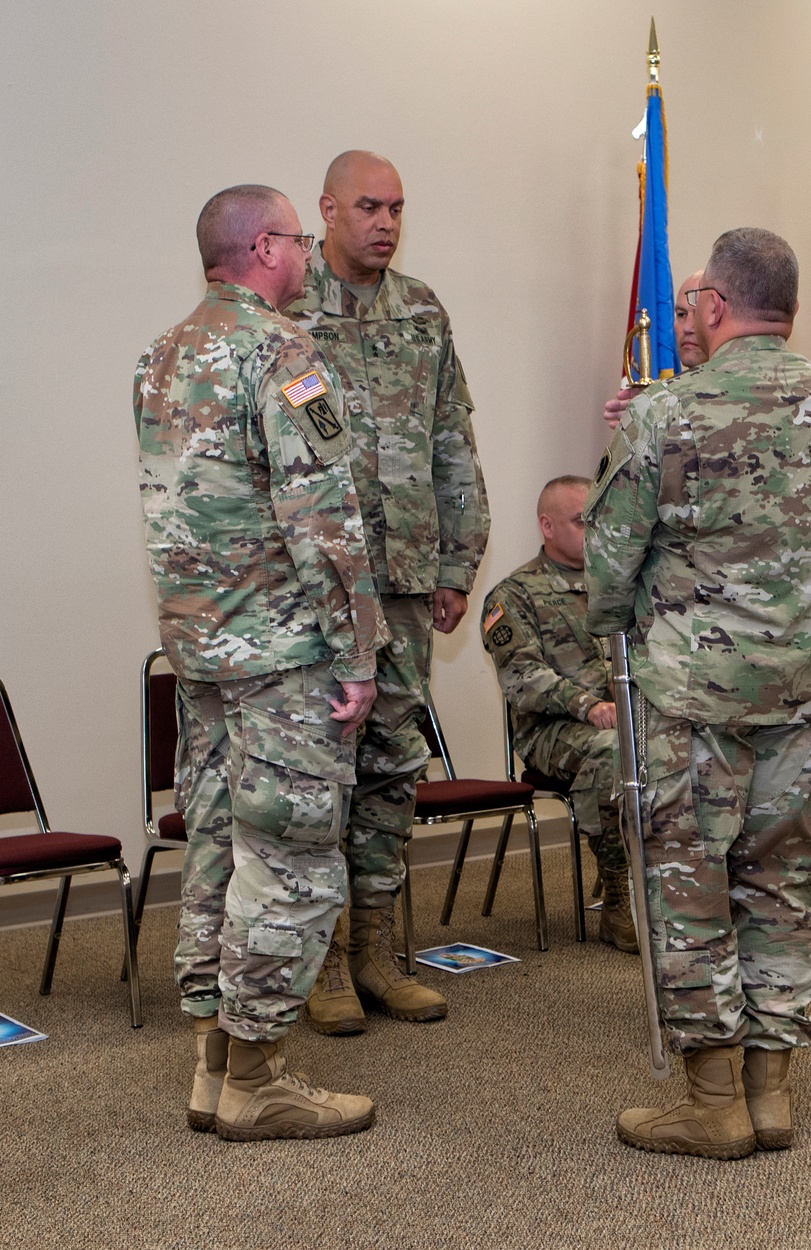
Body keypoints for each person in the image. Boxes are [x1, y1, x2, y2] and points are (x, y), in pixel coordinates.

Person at [585, 227, 811, 1159]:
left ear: (714, 306)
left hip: (691, 701)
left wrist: (625, 611)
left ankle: (713, 1103)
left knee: (691, 885)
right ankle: (772, 1092)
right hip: (800, 691)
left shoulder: (663, 415)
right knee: (784, 882)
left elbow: (608, 562)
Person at [135, 184, 389, 1141]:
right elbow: (323, 513)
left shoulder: (158, 357)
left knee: (215, 851)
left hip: (200, 656)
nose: (304, 255)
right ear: (265, 247)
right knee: (288, 860)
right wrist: (359, 647)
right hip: (284, 656)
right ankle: (259, 1078)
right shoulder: (285, 352)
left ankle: (212, 1064)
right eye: (293, 237)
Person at [285, 151, 490, 1034]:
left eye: (398, 208)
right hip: (325, 586)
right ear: (326, 208)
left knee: (393, 768)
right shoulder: (289, 317)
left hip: (407, 578)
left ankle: (374, 952)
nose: (386, 223)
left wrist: (457, 561)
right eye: (369, 206)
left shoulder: (423, 311)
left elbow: (453, 438)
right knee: (326, 766)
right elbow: (291, 452)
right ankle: (324, 963)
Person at [480, 476, 636, 952]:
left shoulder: (618, 589)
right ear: (547, 526)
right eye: (581, 520)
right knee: (615, 751)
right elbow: (522, 677)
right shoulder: (514, 595)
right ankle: (618, 899)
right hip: (552, 733)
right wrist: (589, 707)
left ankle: (680, 891)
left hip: (627, 718)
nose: (595, 530)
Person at [602, 271, 709, 430]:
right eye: (681, 314)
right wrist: (653, 418)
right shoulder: (668, 399)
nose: (687, 327)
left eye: (699, 314)